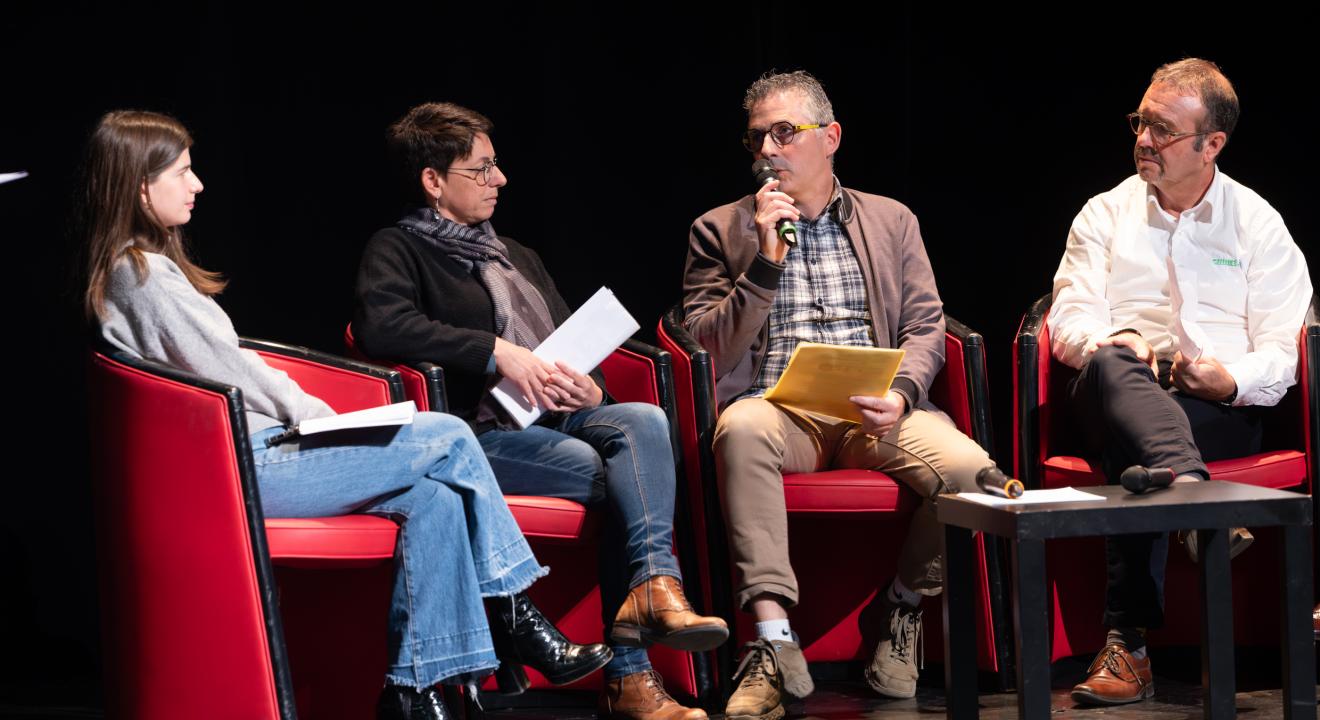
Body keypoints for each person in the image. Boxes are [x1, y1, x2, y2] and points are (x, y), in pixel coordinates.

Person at [82, 110, 613, 720]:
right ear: (141, 185)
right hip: (244, 466)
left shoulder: (144, 271)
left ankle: (416, 691)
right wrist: (317, 417)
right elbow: (232, 373)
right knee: (447, 433)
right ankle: (516, 612)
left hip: (256, 454)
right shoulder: (141, 275)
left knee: (434, 500)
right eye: (182, 171)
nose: (197, 183)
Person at [353, 102, 726, 720]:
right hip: (474, 438)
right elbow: (380, 324)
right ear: (433, 180)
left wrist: (592, 389)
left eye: (496, 167)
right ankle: (631, 676)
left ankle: (656, 586)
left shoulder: (515, 255)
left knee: (644, 420)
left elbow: (565, 337)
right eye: (482, 169)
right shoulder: (397, 249)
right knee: (620, 474)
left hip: (554, 416)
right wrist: (495, 352)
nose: (499, 180)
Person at [682, 71, 996, 718]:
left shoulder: (891, 220)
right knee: (739, 430)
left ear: (830, 137)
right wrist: (765, 261)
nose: (768, 149)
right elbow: (707, 348)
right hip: (776, 410)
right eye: (756, 139)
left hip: (874, 410)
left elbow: (925, 324)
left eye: (784, 133)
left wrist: (905, 393)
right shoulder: (720, 230)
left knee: (975, 475)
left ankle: (903, 608)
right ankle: (771, 641)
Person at [1047, 58, 1312, 706]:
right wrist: (1117, 342)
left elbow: (1282, 347)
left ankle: (1127, 646)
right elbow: (1070, 318)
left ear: (1210, 144)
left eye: (1162, 130)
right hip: (1113, 386)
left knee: (1144, 459)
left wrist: (1229, 379)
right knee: (1113, 367)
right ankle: (1195, 495)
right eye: (1140, 122)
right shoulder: (1105, 214)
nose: (1142, 139)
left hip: (1210, 406)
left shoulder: (1256, 223)